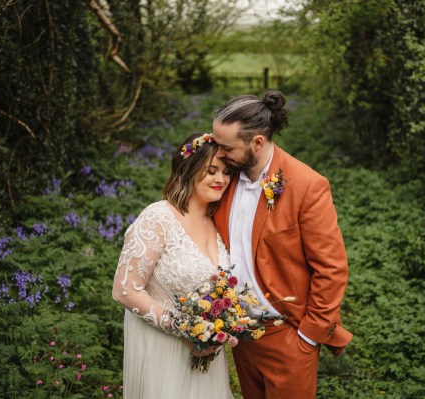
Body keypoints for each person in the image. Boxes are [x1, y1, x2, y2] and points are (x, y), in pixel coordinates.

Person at [212, 91, 353, 399]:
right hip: (240, 334)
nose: (219, 155)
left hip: (287, 335)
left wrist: (307, 337)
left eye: (226, 147)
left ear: (257, 142)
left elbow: (332, 268)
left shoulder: (307, 185)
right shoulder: (224, 178)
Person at [112, 132, 234, 399]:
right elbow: (125, 290)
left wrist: (222, 327)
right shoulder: (158, 218)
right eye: (212, 171)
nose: (221, 179)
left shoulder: (218, 223)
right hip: (163, 350)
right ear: (189, 169)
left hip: (207, 355)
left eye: (226, 172)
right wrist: (185, 330)